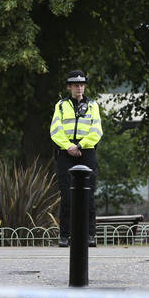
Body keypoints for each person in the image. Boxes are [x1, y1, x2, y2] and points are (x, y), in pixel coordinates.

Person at [50, 70, 103, 247]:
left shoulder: (93, 105)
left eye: (82, 85)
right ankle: (64, 235)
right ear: (69, 87)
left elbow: (96, 130)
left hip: (86, 151)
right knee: (66, 195)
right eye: (76, 85)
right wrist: (68, 146)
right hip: (66, 152)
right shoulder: (60, 105)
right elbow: (55, 130)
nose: (79, 87)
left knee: (88, 195)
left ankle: (89, 235)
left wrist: (80, 145)